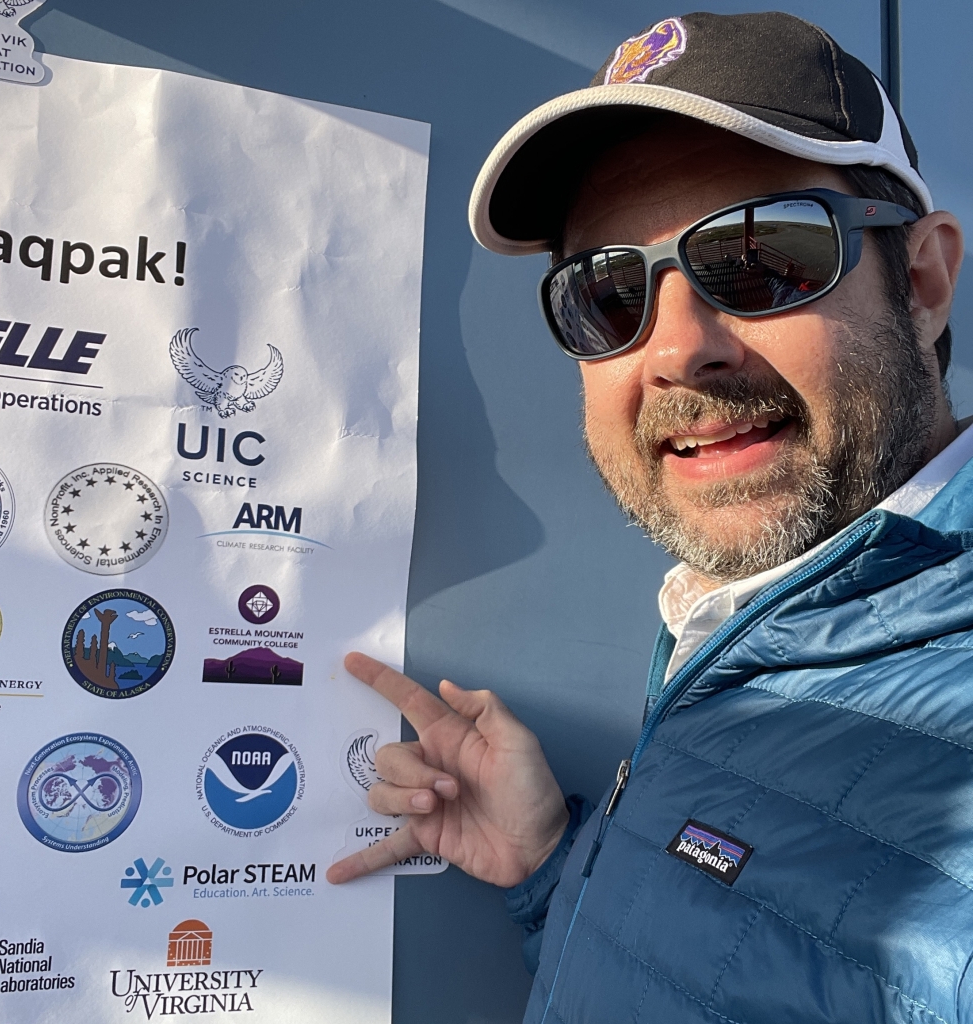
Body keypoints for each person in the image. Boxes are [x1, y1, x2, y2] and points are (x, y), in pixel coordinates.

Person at [329, 11, 973, 1022]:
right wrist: (556, 866)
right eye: (608, 291)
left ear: (923, 281)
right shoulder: (746, 617)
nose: (676, 350)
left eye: (763, 254)